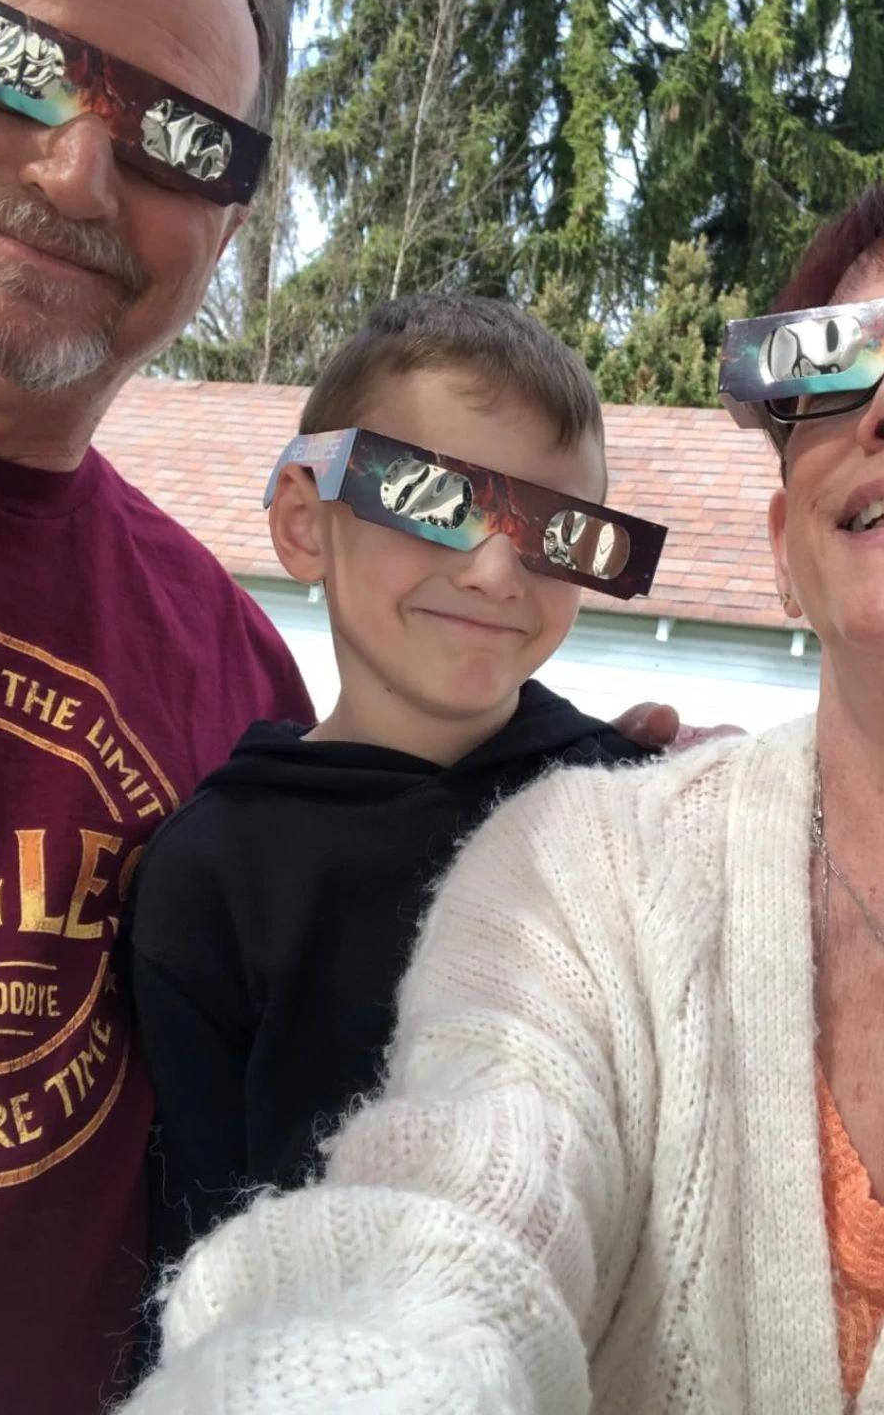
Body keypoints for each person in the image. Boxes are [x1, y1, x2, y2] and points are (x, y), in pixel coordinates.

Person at [126, 162, 884, 1415]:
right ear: (782, 551)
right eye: (826, 368)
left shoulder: (607, 776)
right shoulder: (574, 868)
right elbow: (434, 1240)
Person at [0, 0, 317, 1412]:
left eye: (180, 141)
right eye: (11, 58)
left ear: (221, 233)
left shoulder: (236, 676)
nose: (79, 170)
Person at [127, 295, 665, 1268]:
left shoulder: (636, 814)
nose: (499, 569)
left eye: (561, 535)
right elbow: (200, 1245)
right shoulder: (207, 874)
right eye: (435, 501)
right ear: (303, 522)